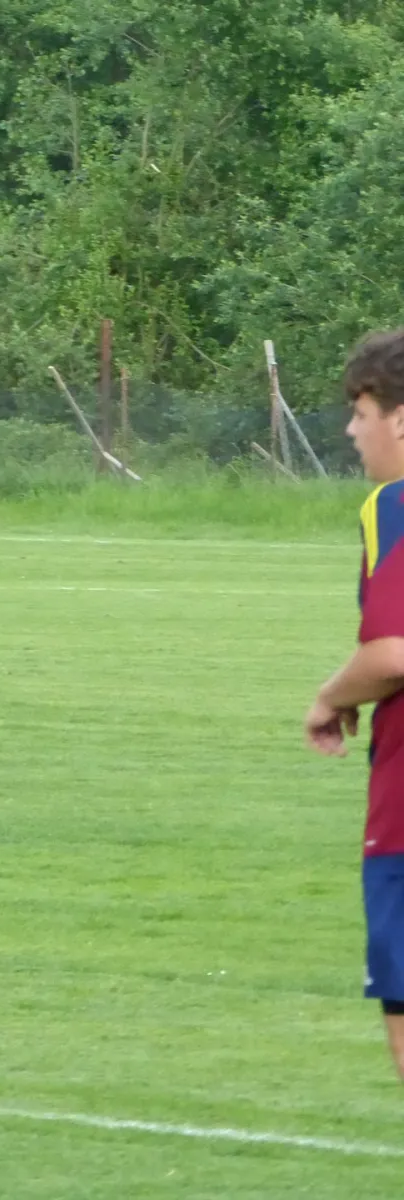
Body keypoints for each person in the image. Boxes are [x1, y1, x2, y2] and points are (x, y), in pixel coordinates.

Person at [305, 327, 404, 1085]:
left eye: (361, 411)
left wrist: (329, 697)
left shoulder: (395, 507)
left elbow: (395, 652)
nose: (350, 430)